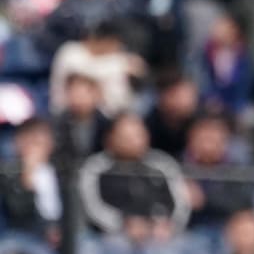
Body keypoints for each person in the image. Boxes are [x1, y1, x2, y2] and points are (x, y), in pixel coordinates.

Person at [78, 112, 192, 243]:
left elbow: (181, 201)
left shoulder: (163, 164)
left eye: (137, 135)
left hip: (161, 236)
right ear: (109, 138)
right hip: (109, 238)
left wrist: (168, 225)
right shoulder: (95, 167)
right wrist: (123, 224)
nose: (132, 140)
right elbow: (92, 205)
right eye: (125, 136)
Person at [49, 19, 147, 117]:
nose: (116, 50)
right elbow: (87, 72)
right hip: (65, 114)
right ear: (107, 41)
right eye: (115, 45)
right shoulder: (70, 51)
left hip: (105, 118)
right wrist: (123, 65)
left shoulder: (110, 61)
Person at [184, 113, 254, 228]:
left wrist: (204, 199)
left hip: (226, 231)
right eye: (204, 134)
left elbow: (243, 203)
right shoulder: (176, 166)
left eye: (214, 135)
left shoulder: (237, 170)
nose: (209, 140)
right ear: (191, 136)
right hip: (186, 231)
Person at [1, 118, 63, 246]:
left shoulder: (61, 172)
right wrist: (28, 175)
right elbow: (17, 210)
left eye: (40, 142)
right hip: (22, 239)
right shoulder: (9, 174)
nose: (36, 148)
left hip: (58, 239)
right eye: (32, 142)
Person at [51, 73, 110, 167]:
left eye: (82, 94)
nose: (78, 99)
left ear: (96, 95)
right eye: (74, 93)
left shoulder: (107, 125)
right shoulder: (56, 124)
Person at [146, 73, 201, 159]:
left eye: (191, 95)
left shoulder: (199, 124)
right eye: (181, 95)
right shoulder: (148, 125)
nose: (189, 100)